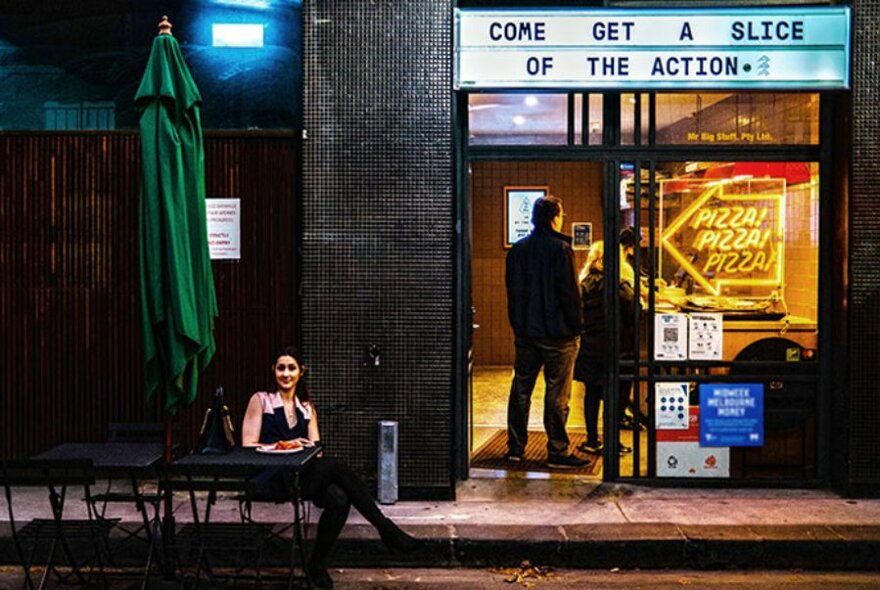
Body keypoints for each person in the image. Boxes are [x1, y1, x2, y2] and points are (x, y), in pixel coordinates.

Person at [242, 346, 421, 589]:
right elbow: (248, 447)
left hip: (297, 476)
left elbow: (317, 452)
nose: (286, 374)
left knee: (338, 497)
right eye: (281, 368)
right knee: (335, 466)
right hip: (269, 479)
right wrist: (284, 445)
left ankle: (316, 564)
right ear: (273, 370)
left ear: (301, 372)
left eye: (291, 368)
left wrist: (303, 448)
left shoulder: (306, 407)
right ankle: (385, 528)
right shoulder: (261, 400)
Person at [505, 195, 588, 469]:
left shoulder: (518, 250)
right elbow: (569, 294)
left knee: (521, 389)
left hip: (527, 333)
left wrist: (518, 325)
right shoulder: (561, 250)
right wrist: (576, 327)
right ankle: (557, 450)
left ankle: (515, 448)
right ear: (555, 217)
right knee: (557, 393)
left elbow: (512, 293)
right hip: (558, 335)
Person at [573, 239, 636, 455]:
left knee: (592, 394)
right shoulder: (619, 286)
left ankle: (592, 440)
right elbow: (633, 313)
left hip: (591, 346)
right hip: (616, 348)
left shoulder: (583, 283)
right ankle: (612, 442)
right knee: (615, 396)